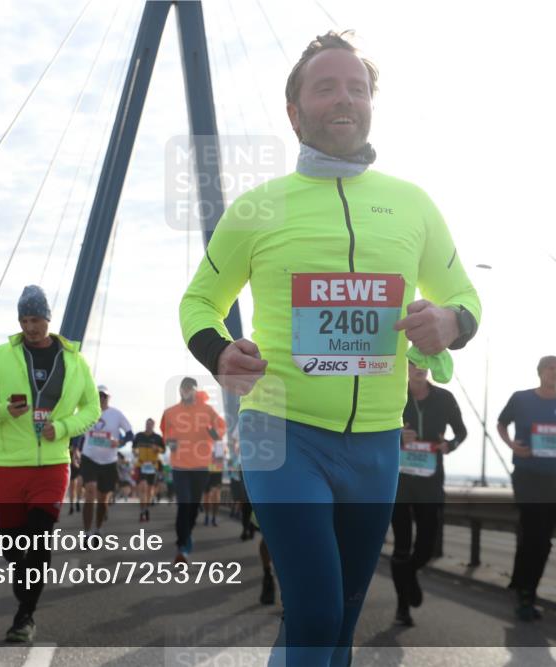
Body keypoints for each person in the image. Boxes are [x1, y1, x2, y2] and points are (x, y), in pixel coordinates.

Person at [178, 31, 480, 666]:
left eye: (357, 88)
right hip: (278, 430)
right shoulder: (258, 209)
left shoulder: (413, 204)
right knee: (314, 607)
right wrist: (219, 351)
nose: (345, 99)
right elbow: (199, 301)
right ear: (294, 112)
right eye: (326, 87)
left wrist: (450, 322)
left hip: (375, 441)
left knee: (340, 614)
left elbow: (465, 299)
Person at [0, 285, 100, 643]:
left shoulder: (74, 360)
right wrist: (1, 411)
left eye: (36, 319)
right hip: (7, 465)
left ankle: (24, 616)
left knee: (40, 541)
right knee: (13, 548)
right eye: (25, 320)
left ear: (48, 318)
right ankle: (23, 591)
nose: (31, 327)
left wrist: (62, 428)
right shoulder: (1, 356)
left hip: (52, 465)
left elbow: (92, 409)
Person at [497, 356, 556, 621]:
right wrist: (511, 445)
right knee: (534, 533)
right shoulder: (521, 398)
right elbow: (501, 424)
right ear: (539, 372)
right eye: (550, 368)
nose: (555, 372)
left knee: (542, 537)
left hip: (553, 477)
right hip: (526, 475)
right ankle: (527, 594)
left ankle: (520, 581)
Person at [390, 362, 466, 626]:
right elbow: (374, 430)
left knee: (425, 548)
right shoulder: (393, 393)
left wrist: (450, 444)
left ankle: (409, 573)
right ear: (405, 366)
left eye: (424, 363)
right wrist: (397, 437)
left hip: (430, 483)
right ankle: (402, 608)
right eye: (412, 363)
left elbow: (462, 432)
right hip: (399, 483)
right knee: (401, 545)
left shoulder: (444, 398)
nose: (419, 368)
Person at [160, 377, 226, 563]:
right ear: (180, 391)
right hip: (180, 466)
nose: (187, 391)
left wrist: (214, 433)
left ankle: (187, 534)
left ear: (195, 390)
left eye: (191, 388)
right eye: (184, 388)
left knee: (194, 506)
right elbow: (165, 431)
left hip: (201, 466)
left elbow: (221, 427)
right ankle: (183, 546)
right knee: (184, 505)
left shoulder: (206, 410)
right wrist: (169, 441)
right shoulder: (171, 412)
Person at [79, 386, 133, 539]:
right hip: (89, 458)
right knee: (90, 491)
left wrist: (120, 442)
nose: (102, 398)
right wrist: (75, 450)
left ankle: (98, 528)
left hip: (109, 462)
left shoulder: (116, 415)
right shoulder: (88, 412)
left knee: (103, 500)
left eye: (104, 396)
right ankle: (87, 533)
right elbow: (78, 434)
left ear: (109, 398)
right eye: (99, 395)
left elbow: (130, 434)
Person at [133, 418, 166, 522]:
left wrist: (158, 449)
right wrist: (135, 452)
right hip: (141, 464)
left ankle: (146, 509)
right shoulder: (139, 435)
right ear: (145, 424)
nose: (149, 426)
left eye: (151, 425)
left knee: (149, 490)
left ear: (153, 426)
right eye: (147, 424)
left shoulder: (158, 437)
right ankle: (142, 510)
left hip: (153, 466)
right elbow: (133, 447)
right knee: (142, 487)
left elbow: (164, 450)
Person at [203, 439, 226, 526]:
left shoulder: (219, 443)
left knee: (216, 497)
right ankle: (207, 516)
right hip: (205, 472)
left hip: (216, 472)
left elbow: (221, 460)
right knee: (206, 497)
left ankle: (214, 518)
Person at [67, 435, 84, 515]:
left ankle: (77, 500)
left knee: (79, 483)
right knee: (72, 484)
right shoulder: (69, 434)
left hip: (81, 459)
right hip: (70, 458)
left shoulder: (83, 434)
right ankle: (71, 505)